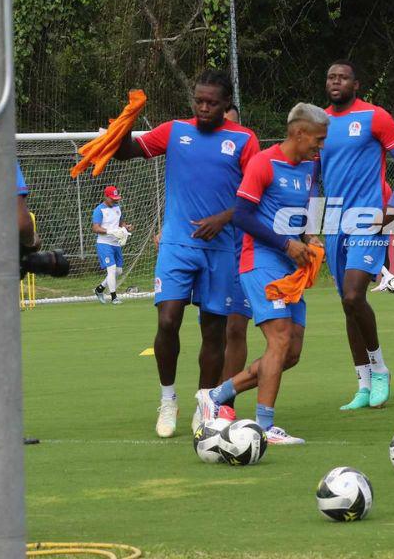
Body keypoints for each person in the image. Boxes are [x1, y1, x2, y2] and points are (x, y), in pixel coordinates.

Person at [113, 69, 259, 438]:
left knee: (214, 331)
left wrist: (223, 218)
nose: (204, 107)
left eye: (212, 102)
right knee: (167, 320)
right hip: (178, 243)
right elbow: (127, 152)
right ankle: (167, 400)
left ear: (227, 104)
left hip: (223, 246)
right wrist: (124, 124)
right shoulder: (175, 131)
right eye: (199, 101)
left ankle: (205, 403)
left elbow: (254, 195)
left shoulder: (244, 140)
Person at [201, 103, 327, 444]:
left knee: (292, 352)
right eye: (318, 139)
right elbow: (242, 215)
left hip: (292, 267)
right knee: (279, 339)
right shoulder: (263, 163)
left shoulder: (311, 166)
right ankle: (265, 427)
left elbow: (310, 206)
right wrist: (287, 244)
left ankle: (215, 396)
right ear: (298, 133)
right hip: (259, 261)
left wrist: (312, 236)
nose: (320, 146)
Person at [322, 60, 394, 410]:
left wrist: (391, 206)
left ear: (356, 84)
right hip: (333, 222)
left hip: (372, 219)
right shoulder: (318, 122)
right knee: (348, 307)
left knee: (353, 295)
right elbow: (312, 172)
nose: (336, 82)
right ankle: (363, 384)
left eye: (343, 77)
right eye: (331, 77)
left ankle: (380, 370)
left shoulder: (375, 117)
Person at [209, 102, 252, 420]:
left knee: (236, 328)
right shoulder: (204, 153)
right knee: (212, 331)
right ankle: (205, 399)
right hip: (208, 248)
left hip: (243, 248)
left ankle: (226, 403)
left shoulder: (250, 155)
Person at [92, 185, 132, 305]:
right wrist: (109, 231)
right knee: (111, 269)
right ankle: (114, 297)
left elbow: (121, 223)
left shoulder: (117, 208)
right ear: (106, 197)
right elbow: (95, 228)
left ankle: (99, 289)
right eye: (112, 198)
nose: (115, 200)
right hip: (104, 243)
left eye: (116, 198)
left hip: (116, 244)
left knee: (118, 271)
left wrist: (126, 227)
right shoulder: (99, 210)